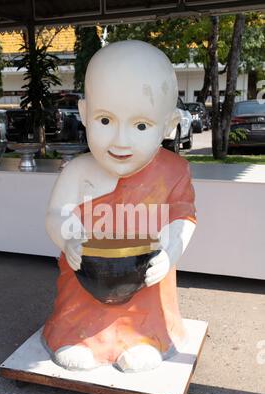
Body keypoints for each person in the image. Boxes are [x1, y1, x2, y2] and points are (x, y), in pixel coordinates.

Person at [43, 40, 196, 372]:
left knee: (150, 295)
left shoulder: (173, 172)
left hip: (146, 276)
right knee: (77, 300)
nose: (120, 141)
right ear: (84, 114)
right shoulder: (78, 170)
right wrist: (67, 239)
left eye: (141, 126)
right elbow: (56, 215)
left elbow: (182, 217)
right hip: (86, 274)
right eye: (105, 121)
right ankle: (80, 336)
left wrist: (170, 253)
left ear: (169, 125)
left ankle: (145, 338)